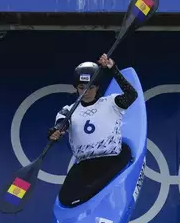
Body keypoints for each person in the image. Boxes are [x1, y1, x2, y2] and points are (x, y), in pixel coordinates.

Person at [47, 54, 139, 207]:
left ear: (97, 87)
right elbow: (61, 124)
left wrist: (113, 70)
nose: (86, 92)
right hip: (85, 166)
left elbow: (132, 95)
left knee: (92, 191)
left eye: (91, 87)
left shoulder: (111, 102)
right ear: (76, 88)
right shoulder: (68, 111)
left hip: (113, 160)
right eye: (82, 87)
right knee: (66, 199)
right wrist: (55, 132)